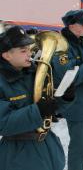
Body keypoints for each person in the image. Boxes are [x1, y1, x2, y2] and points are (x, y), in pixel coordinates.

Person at [0, 26, 74, 170]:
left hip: (47, 146)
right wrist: (38, 111)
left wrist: (64, 98)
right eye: (23, 51)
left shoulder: (32, 72)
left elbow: (49, 107)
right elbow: (4, 124)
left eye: (29, 49)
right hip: (19, 155)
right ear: (7, 55)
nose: (30, 53)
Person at [51, 9, 83, 170]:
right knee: (79, 147)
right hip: (77, 104)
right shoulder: (62, 46)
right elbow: (69, 76)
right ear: (72, 25)